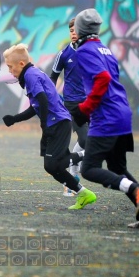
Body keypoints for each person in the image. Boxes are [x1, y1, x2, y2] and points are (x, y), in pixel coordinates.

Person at [69, 8, 139, 229]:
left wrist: (85, 108)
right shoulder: (105, 49)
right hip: (121, 113)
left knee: (89, 168)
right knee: (117, 168)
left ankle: (134, 189)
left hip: (107, 117)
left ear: (81, 29)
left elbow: (102, 79)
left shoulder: (84, 51)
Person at [1, 43, 97, 209]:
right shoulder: (31, 73)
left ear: (21, 64)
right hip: (58, 122)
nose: (10, 70)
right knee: (52, 166)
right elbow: (36, 106)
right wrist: (15, 119)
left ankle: (85, 155)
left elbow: (43, 100)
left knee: (54, 165)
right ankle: (83, 194)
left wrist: (45, 126)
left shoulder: (30, 75)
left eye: (10, 67)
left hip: (58, 123)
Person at [50, 18, 89, 196]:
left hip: (92, 103)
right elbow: (52, 79)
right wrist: (52, 100)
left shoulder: (92, 53)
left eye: (77, 30)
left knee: (86, 142)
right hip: (73, 105)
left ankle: (71, 176)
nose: (73, 33)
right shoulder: (64, 54)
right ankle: (72, 175)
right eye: (71, 30)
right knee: (86, 140)